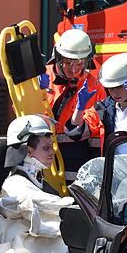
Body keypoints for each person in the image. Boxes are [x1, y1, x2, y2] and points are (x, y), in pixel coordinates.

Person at [0, 115, 74, 253]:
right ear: (29, 151)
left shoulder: (37, 181)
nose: (52, 152)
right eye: (46, 147)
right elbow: (39, 206)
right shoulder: (15, 184)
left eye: (52, 146)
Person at [37, 29, 102, 180]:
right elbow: (21, 111)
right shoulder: (41, 77)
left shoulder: (95, 86)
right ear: (57, 58)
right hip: (40, 150)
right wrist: (33, 92)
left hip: (77, 154)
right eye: (67, 63)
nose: (73, 70)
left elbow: (97, 127)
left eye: (79, 64)